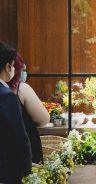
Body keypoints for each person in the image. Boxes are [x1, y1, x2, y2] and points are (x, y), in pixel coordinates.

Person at [8, 53, 50, 163]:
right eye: (22, 70)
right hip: (24, 150)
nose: (25, 74)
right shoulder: (21, 88)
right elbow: (44, 119)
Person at [0, 42, 32, 183]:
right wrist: (27, 171)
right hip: (7, 172)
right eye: (12, 65)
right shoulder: (7, 96)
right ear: (8, 67)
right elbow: (20, 138)